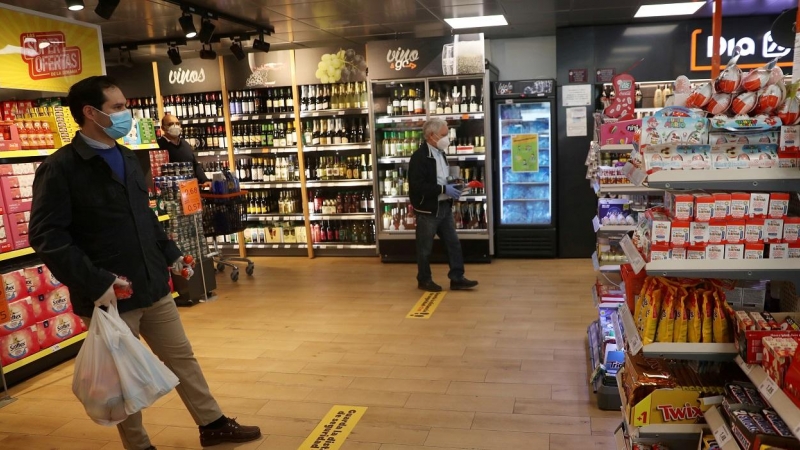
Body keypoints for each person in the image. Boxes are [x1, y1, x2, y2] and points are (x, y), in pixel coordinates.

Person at [28, 76, 261, 450]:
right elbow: (46, 237)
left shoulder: (127, 157)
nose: (127, 114)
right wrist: (96, 281)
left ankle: (212, 423)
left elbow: (145, 216)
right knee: (124, 377)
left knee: (182, 357)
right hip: (109, 294)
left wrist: (171, 255)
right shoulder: (61, 168)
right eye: (118, 107)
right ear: (90, 113)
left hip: (152, 282)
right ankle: (138, 445)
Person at [408, 118, 479, 292]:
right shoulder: (419, 158)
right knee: (424, 249)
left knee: (453, 244)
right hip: (427, 210)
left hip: (444, 207)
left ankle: (457, 278)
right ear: (432, 136)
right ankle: (424, 280)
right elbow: (417, 187)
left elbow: (441, 178)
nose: (447, 138)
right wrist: (443, 188)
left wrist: (455, 184)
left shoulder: (441, 153)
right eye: (444, 135)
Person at [158, 113, 211, 188]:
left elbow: (195, 165)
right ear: (163, 128)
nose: (175, 126)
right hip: (171, 189)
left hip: (190, 189)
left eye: (177, 124)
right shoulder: (159, 146)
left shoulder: (185, 144)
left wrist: (205, 180)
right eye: (170, 124)